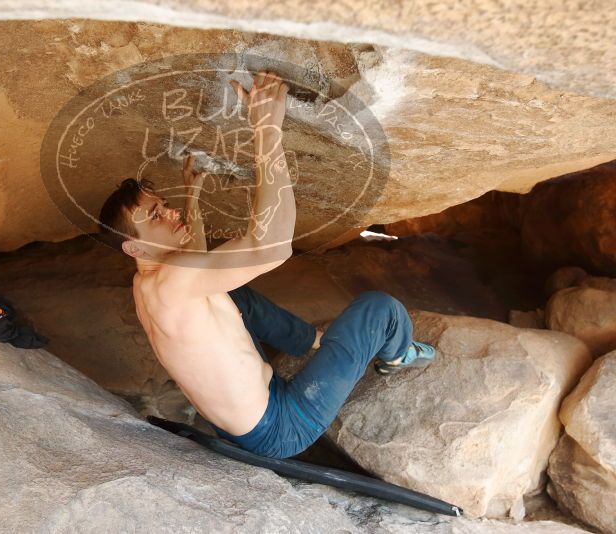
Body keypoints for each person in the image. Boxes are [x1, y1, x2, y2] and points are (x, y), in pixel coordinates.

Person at [98, 71, 435, 459]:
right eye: (156, 215)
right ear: (133, 249)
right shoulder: (175, 279)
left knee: (231, 289)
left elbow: (197, 259)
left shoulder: (150, 283)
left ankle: (309, 341)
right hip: (280, 427)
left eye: (164, 204)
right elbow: (272, 246)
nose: (169, 211)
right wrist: (266, 129)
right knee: (379, 309)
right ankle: (398, 355)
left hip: (240, 424)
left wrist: (191, 195)